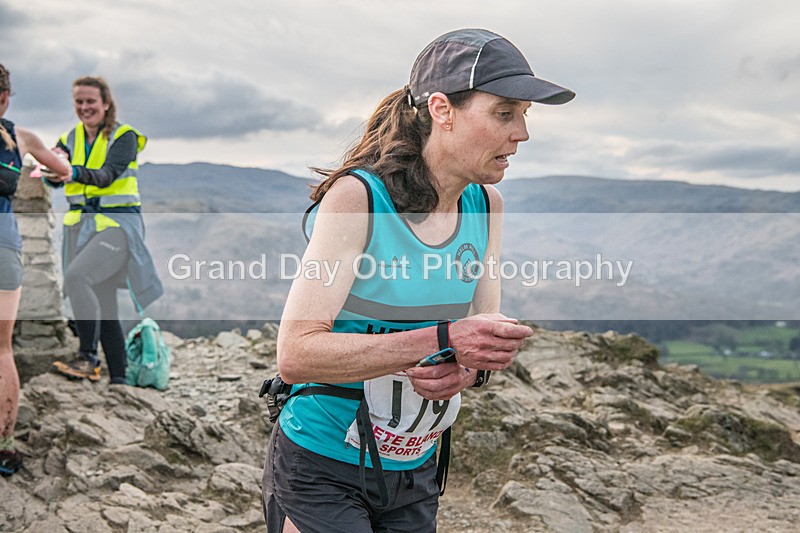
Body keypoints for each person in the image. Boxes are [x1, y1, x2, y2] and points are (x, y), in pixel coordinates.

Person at [261, 28, 575, 532]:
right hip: (321, 467)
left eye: (524, 116)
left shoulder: (486, 206)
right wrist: (443, 339)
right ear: (441, 110)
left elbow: (476, 344)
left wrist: (464, 371)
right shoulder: (358, 198)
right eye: (504, 113)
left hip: (415, 470)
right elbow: (296, 356)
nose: (522, 133)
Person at [46, 76, 163, 384]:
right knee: (104, 297)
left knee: (76, 277)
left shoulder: (124, 136)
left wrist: (68, 171)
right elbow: (50, 177)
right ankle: (119, 380)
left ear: (106, 103)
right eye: (79, 102)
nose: (85, 107)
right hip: (82, 228)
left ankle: (87, 358)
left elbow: (107, 176)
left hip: (117, 226)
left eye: (91, 102)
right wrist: (52, 170)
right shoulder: (68, 139)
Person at [0, 64, 72, 476]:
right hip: (5, 247)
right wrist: (42, 167)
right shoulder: (21, 137)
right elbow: (61, 171)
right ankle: (5, 445)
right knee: (3, 349)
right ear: (6, 97)